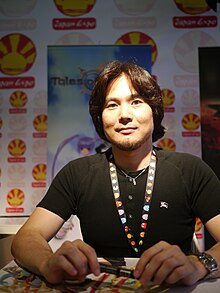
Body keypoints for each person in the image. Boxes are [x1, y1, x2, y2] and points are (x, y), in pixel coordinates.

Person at [11, 60, 220, 288]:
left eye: (136, 101)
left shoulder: (190, 170)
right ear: (100, 118)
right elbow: (26, 238)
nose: (124, 115)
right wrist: (47, 263)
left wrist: (199, 265)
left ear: (155, 111)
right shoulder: (78, 173)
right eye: (112, 105)